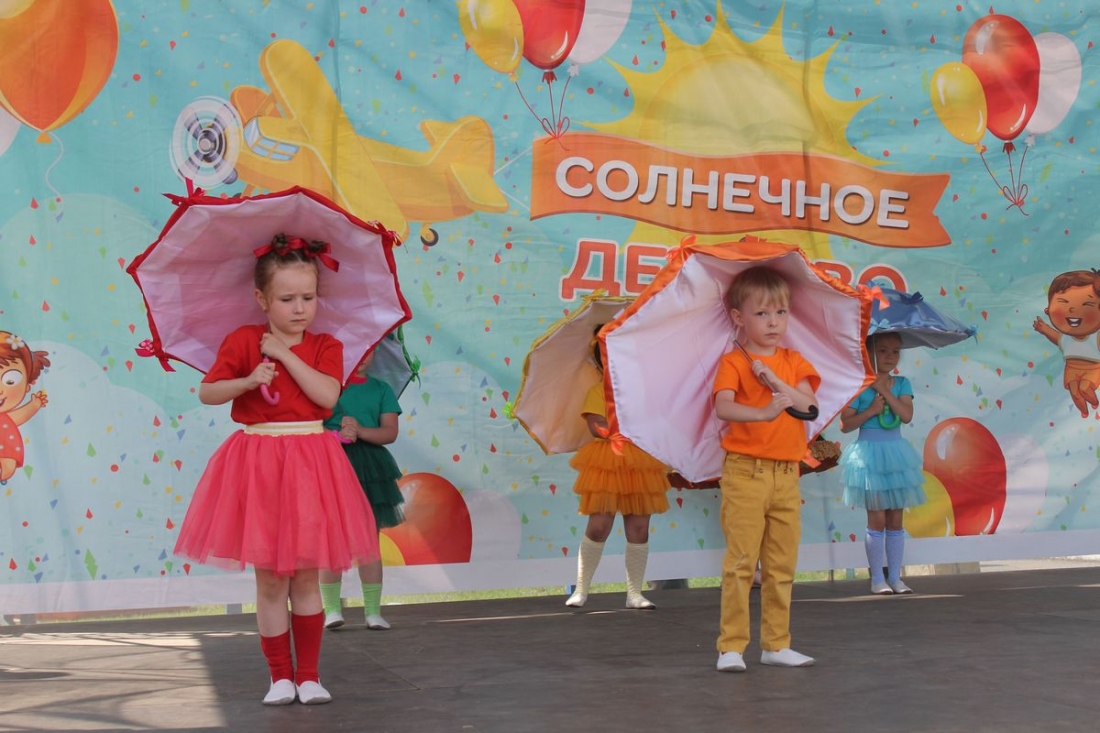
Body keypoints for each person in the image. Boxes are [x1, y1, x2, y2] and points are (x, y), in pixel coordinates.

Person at [173, 235, 380, 706]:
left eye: (308, 297)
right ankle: (279, 677)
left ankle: (309, 675)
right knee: (269, 578)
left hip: (310, 461)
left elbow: (327, 396)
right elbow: (208, 392)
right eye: (287, 299)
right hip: (259, 463)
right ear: (262, 299)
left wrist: (285, 354)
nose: (300, 308)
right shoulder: (243, 341)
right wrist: (249, 380)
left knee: (306, 575)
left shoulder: (326, 345)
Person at [712, 266, 820, 673]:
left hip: (787, 475)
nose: (773, 322)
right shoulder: (732, 362)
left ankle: (776, 644)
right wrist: (761, 413)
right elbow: (723, 407)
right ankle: (731, 647)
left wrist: (775, 380)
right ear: (738, 317)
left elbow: (809, 406)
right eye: (761, 314)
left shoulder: (793, 361)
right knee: (741, 562)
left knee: (781, 565)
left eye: (780, 313)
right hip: (745, 472)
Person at [565, 328, 670, 610]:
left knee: (639, 527)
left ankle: (634, 594)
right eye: (607, 357)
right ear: (600, 362)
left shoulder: (643, 391)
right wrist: (618, 431)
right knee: (599, 526)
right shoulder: (597, 391)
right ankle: (581, 590)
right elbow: (595, 425)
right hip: (608, 462)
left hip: (639, 463)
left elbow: (654, 421)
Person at [319, 350, 404, 631]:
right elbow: (311, 427)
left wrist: (360, 430)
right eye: (357, 349)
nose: (363, 356)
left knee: (369, 539)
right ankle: (332, 610)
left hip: (370, 469)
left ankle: (373, 612)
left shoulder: (381, 389)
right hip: (332, 464)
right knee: (331, 539)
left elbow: (390, 432)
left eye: (370, 349)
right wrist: (336, 436)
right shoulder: (325, 387)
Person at [838, 332, 925, 595]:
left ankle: (895, 578)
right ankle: (877, 578)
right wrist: (870, 411)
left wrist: (884, 390)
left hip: (895, 455)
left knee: (896, 520)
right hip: (870, 457)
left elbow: (906, 415)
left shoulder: (902, 383)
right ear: (869, 354)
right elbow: (845, 425)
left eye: (895, 351)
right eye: (883, 351)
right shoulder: (858, 386)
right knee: (876, 519)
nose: (890, 357)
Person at [1033, 269, 1100, 418]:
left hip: (1093, 368)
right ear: (1048, 311)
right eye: (1063, 302)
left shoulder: (1095, 337)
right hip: (1071, 369)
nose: (1073, 309)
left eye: (1086, 304)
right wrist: (1044, 329)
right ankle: (1084, 412)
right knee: (1075, 392)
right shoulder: (1066, 339)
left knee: (1084, 387)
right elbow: (1056, 337)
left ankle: (1095, 402)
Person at [0, 332, 50, 485]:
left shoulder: (5, 420)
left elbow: (17, 416)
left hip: (7, 451)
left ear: (27, 386)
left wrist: (34, 405)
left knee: (7, 464)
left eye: (10, 381)